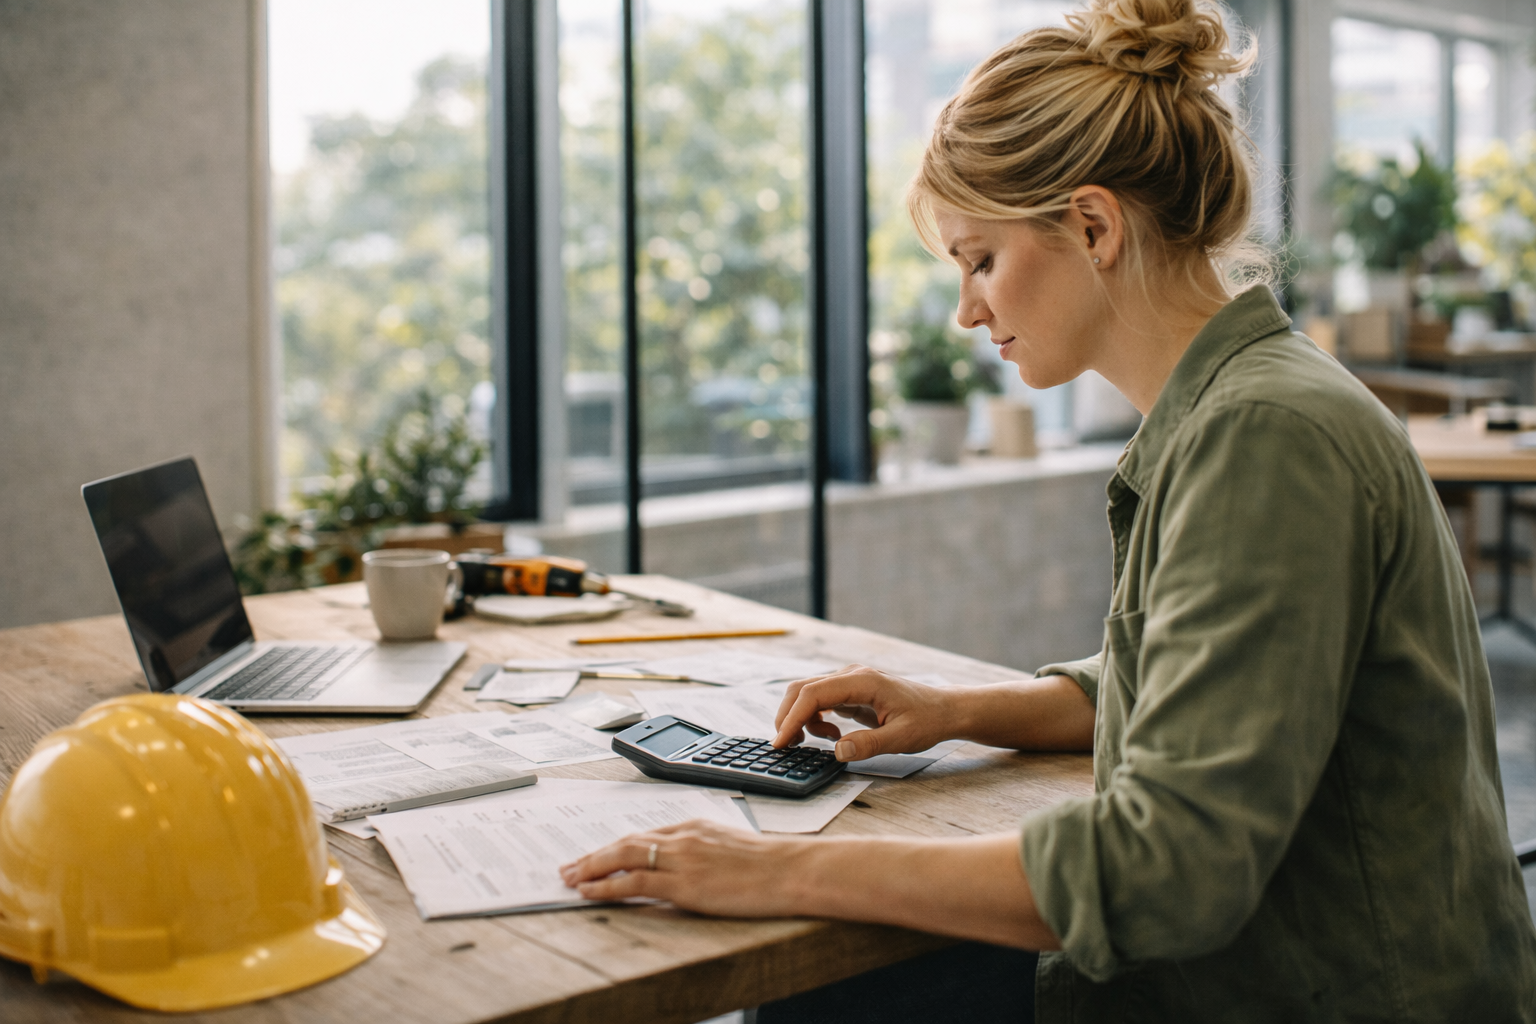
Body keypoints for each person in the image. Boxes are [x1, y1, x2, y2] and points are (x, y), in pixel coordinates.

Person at [561, 0, 1536, 1018]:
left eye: (980, 258)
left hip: (1339, 997)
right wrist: (963, 711)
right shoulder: (1240, 403)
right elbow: (1206, 682)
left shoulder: (1264, 435)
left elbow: (1165, 869)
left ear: (1093, 224)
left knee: (832, 993)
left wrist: (777, 870)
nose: (967, 309)